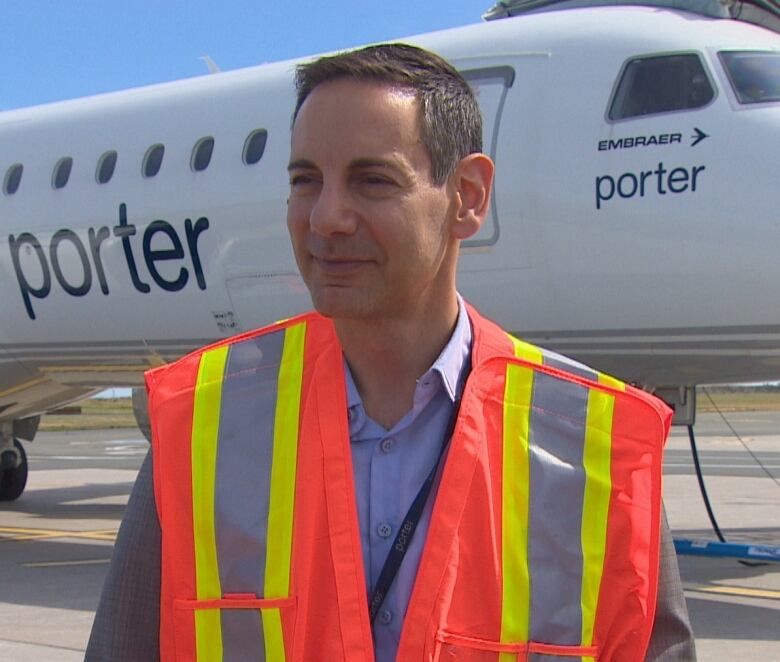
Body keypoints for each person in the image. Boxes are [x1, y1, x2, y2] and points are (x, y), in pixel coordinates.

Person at [86, 44, 696, 661]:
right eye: (305, 181)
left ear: (468, 196)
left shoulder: (597, 446)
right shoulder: (199, 425)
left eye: (371, 180)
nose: (326, 217)